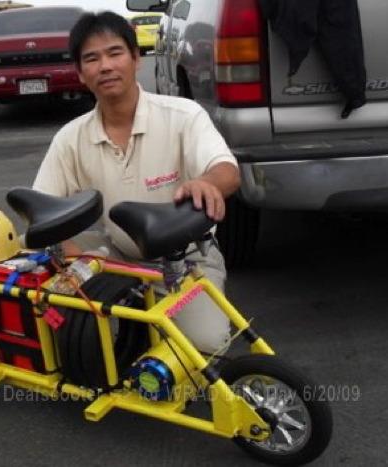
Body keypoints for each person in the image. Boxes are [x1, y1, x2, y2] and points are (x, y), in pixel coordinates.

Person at [32, 11, 241, 355]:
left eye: (115, 53)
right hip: (114, 255)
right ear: (80, 73)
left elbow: (226, 171)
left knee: (204, 348)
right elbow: (43, 208)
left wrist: (208, 182)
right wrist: (65, 250)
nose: (105, 66)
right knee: (53, 319)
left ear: (136, 59)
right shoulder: (70, 138)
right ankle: (129, 325)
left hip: (184, 261)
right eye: (92, 58)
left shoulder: (183, 115)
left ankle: (146, 326)